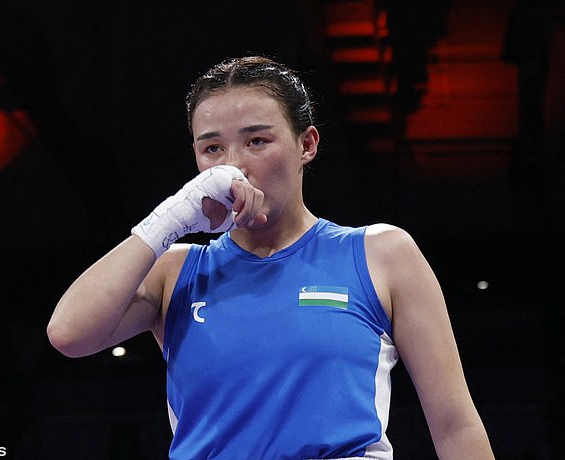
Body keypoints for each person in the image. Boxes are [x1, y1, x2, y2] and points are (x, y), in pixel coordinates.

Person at [47, 56, 494, 459]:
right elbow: (68, 334)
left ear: (307, 145)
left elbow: (456, 426)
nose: (233, 167)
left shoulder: (381, 254)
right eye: (213, 148)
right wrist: (171, 219)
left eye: (257, 141)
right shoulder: (177, 270)